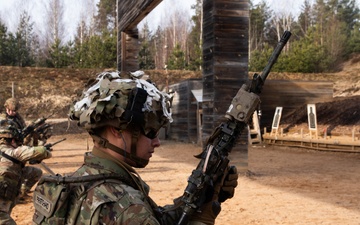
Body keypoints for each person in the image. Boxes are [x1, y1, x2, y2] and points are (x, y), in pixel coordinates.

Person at [32, 71, 238, 225]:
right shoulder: (126, 205)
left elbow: (154, 217)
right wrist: (203, 219)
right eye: (150, 132)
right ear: (116, 130)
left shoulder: (84, 181)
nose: (157, 142)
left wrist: (202, 197)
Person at [0, 119, 52, 225]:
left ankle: (22, 192)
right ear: (13, 141)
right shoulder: (13, 152)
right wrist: (44, 149)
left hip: (5, 193)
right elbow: (43, 152)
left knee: (34, 172)